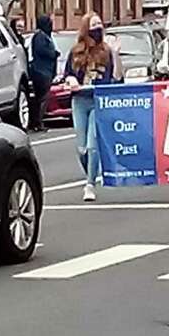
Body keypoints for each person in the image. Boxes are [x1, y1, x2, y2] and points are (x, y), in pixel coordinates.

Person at [64, 13, 116, 202]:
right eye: (94, 25)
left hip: (98, 100)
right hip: (79, 100)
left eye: (100, 24)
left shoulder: (106, 52)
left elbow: (113, 77)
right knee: (82, 148)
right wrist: (70, 81)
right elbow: (68, 74)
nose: (98, 28)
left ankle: (90, 184)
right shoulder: (76, 51)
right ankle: (93, 171)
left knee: (93, 145)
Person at [28, 15, 59, 131]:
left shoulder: (46, 36)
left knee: (42, 98)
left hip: (47, 71)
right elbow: (42, 51)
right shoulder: (39, 36)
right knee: (43, 98)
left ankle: (37, 121)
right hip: (41, 72)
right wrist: (54, 53)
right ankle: (38, 122)